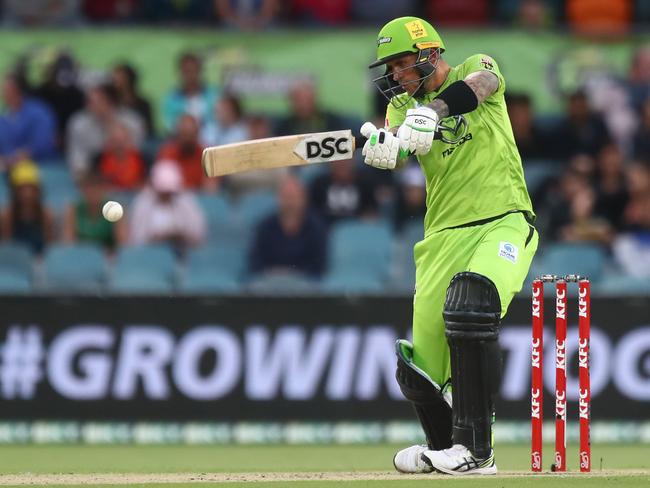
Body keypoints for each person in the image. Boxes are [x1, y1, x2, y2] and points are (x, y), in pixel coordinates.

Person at [361, 17, 537, 475]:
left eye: (402, 64)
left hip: (502, 219)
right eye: (392, 68)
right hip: (440, 235)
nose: (397, 76)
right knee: (419, 365)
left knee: (472, 301)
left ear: (429, 54)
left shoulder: (474, 67)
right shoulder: (400, 107)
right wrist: (386, 148)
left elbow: (483, 84)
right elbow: (398, 149)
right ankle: (445, 447)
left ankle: (479, 453)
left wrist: (434, 111)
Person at [249, 174, 327, 278]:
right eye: (286, 197)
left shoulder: (316, 228)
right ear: (278, 199)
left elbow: (318, 266)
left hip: (304, 284)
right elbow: (256, 262)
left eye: (294, 197)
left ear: (304, 200)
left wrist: (292, 274)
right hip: (269, 281)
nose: (290, 202)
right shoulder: (265, 226)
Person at [128, 160, 206, 252]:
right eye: (163, 192)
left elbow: (198, 235)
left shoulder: (187, 202)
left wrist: (180, 236)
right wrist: (157, 238)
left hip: (184, 254)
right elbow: (136, 239)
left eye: (170, 192)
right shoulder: (142, 203)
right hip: (149, 256)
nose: (167, 195)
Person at [0, 160, 54, 254]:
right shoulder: (7, 215)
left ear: (38, 191)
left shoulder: (46, 214)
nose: (27, 194)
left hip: (40, 260)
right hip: (15, 260)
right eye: (22, 189)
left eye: (31, 188)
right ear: (14, 191)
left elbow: (49, 248)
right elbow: (6, 247)